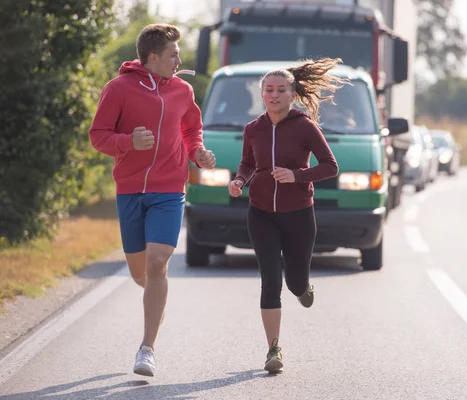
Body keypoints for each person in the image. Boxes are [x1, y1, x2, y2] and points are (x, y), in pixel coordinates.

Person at [88, 24, 216, 377]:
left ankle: (147, 349)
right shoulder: (118, 89)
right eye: (173, 54)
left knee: (158, 262)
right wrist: (129, 142)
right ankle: (156, 295)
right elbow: (98, 136)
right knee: (140, 272)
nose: (179, 60)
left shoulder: (182, 90)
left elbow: (191, 129)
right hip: (129, 189)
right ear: (153, 57)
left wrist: (198, 153)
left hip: (169, 188)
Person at [228, 57, 348, 373]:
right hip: (261, 213)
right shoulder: (253, 129)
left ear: (292, 95)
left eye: (281, 90)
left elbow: (330, 166)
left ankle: (303, 288)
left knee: (294, 281)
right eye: (269, 90)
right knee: (270, 279)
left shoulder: (305, 127)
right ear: (262, 94)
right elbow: (248, 163)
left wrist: (297, 176)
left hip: (298, 214)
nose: (274, 95)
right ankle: (273, 349)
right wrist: (240, 180)